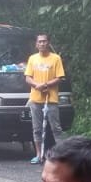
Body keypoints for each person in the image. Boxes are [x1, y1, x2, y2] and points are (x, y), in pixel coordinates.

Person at [25, 33, 66, 164]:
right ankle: (39, 154)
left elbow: (59, 77)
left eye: (44, 41)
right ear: (36, 44)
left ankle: (61, 156)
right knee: (37, 128)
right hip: (35, 99)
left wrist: (46, 84)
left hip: (51, 98)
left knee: (56, 128)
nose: (42, 43)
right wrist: (37, 85)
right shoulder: (32, 59)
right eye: (40, 42)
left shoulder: (56, 58)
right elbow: (28, 77)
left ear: (48, 43)